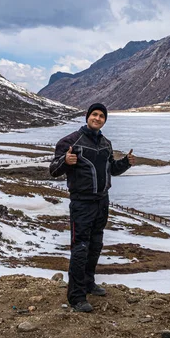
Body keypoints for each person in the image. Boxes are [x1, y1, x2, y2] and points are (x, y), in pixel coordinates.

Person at [49, 103, 136, 312]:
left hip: (102, 201)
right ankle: (76, 296)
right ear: (87, 116)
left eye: (101, 116)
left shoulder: (106, 143)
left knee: (95, 245)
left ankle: (88, 283)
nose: (97, 118)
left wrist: (125, 162)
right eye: (94, 115)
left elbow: (111, 170)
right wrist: (66, 161)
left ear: (105, 120)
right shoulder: (70, 141)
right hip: (82, 202)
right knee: (80, 248)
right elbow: (53, 170)